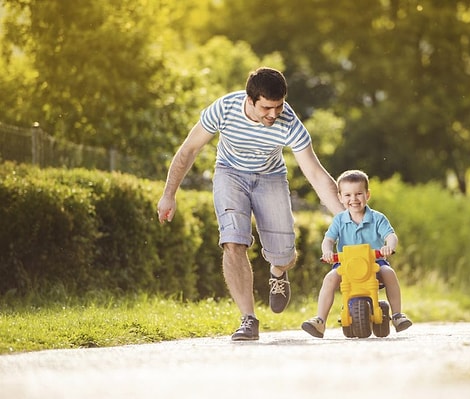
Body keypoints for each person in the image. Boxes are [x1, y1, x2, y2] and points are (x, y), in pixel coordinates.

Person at [156, 67, 344, 341]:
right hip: (229, 174)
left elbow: (315, 173)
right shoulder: (224, 108)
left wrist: (344, 218)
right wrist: (169, 193)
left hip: (271, 177)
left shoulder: (289, 121)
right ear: (251, 99)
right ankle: (248, 319)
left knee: (285, 255)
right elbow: (189, 149)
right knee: (233, 241)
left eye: (279, 106)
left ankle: (278, 272)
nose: (274, 114)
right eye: (267, 108)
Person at [301, 170, 412, 338]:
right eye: (348, 195)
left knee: (389, 273)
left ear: (367, 195)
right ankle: (320, 321)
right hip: (345, 264)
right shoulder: (339, 220)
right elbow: (328, 240)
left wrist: (389, 246)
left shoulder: (377, 218)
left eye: (359, 193)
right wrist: (327, 251)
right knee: (330, 278)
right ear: (340, 197)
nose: (353, 199)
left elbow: (391, 236)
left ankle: (397, 315)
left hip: (375, 263)